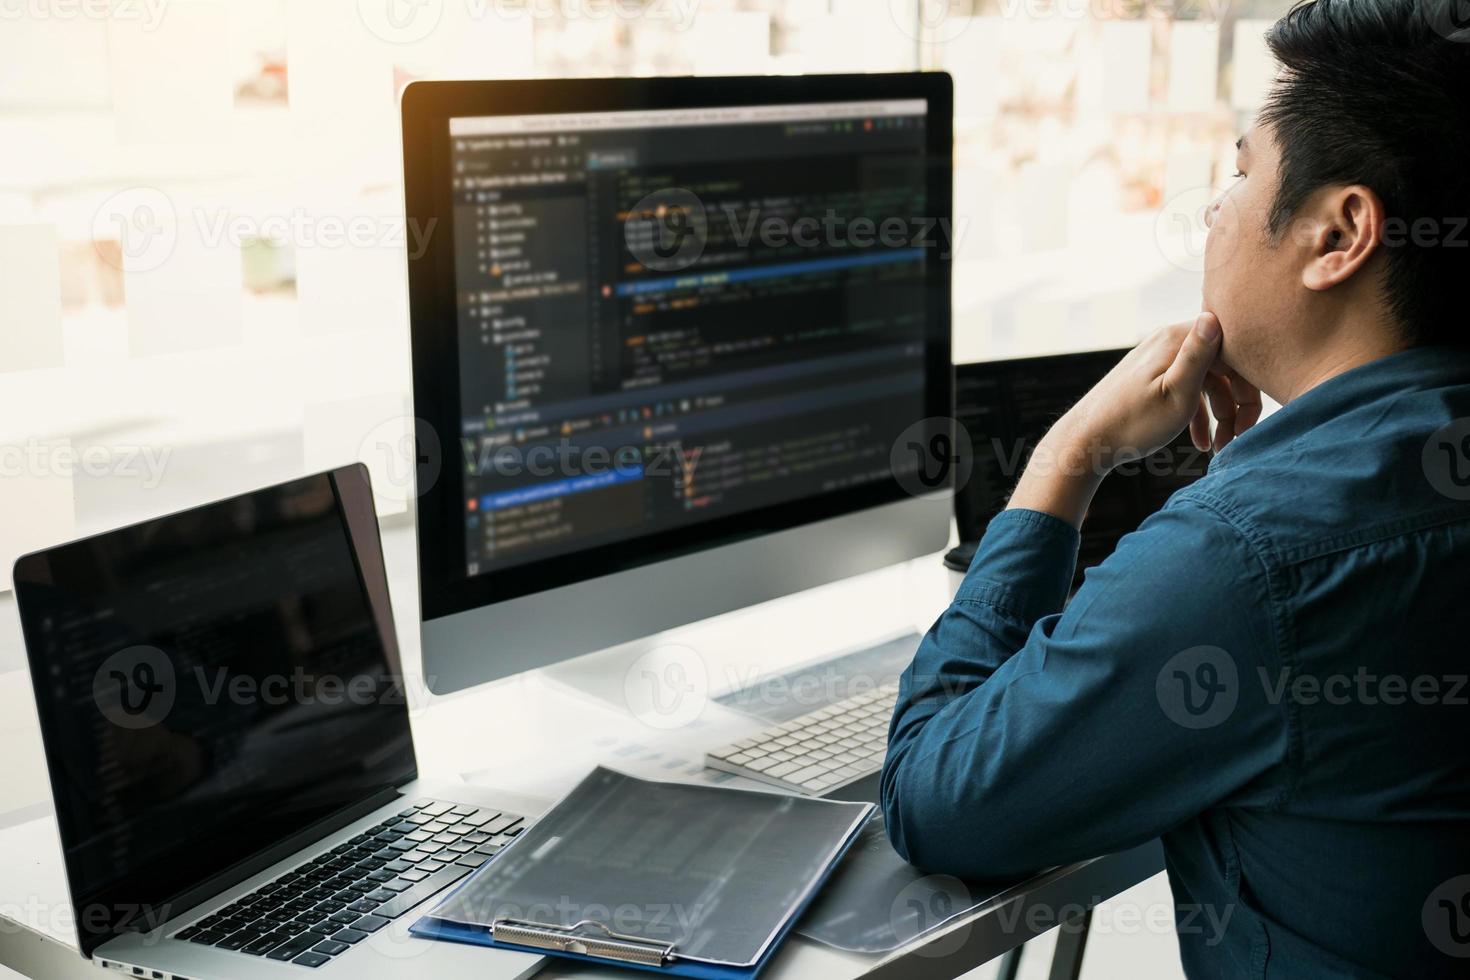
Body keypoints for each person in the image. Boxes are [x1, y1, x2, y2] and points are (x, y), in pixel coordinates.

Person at [879, 1, 1470, 976]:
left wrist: (1069, 450)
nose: (1213, 210)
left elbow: (932, 797)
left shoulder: (1249, 555)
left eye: (1242, 172)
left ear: (1338, 232)